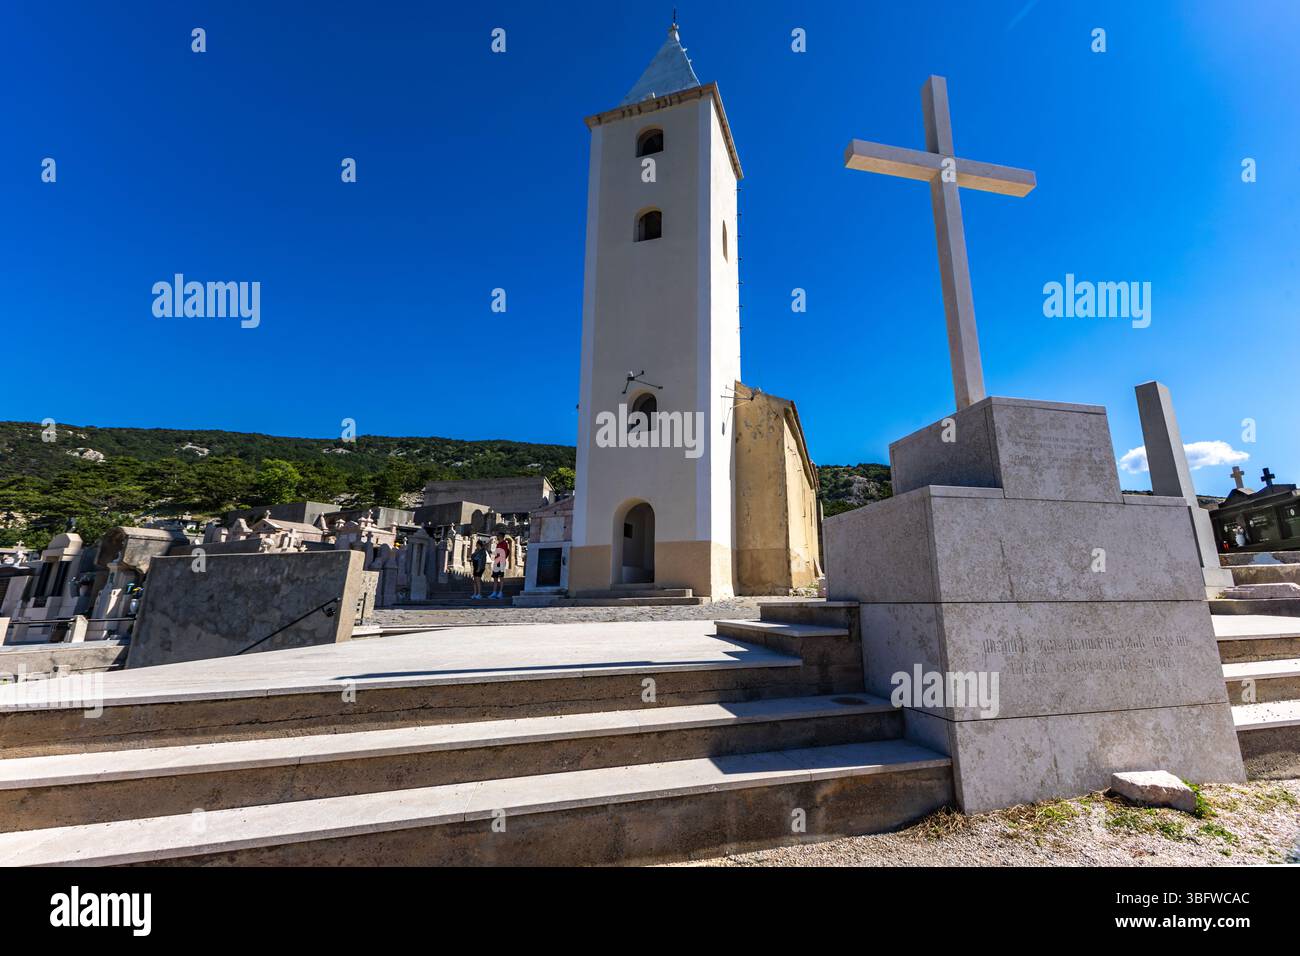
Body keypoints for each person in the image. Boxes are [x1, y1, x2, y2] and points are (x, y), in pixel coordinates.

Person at [489, 531, 512, 599]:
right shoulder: (498, 544)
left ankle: (500, 592)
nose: (497, 537)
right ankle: (494, 592)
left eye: (498, 535)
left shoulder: (504, 543)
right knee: (495, 577)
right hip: (496, 561)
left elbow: (503, 552)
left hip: (501, 561)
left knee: (501, 577)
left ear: (501, 536)